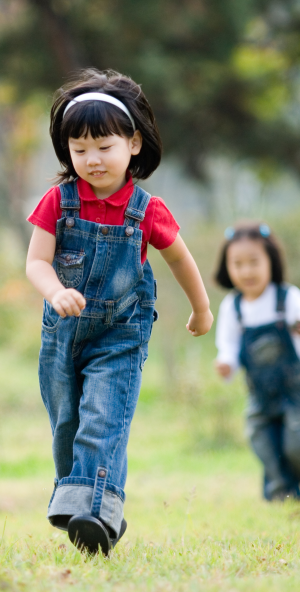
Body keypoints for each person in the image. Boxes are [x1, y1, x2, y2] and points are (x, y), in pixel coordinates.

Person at [25, 69, 213, 556]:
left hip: (121, 334)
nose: (92, 159)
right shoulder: (58, 201)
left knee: (103, 418)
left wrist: (201, 309)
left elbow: (180, 260)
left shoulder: (147, 210)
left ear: (133, 143)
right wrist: (54, 292)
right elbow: (36, 262)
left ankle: (92, 512)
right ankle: (96, 512)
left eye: (104, 146)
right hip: (63, 334)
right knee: (67, 426)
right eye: (79, 148)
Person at [213, 222, 300, 502]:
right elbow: (228, 347)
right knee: (264, 442)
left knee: (299, 446)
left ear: (271, 261)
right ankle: (283, 495)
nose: (246, 271)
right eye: (238, 264)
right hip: (260, 393)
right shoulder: (232, 308)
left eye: (254, 262)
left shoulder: (287, 297)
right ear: (227, 267)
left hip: (298, 389)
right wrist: (226, 364)